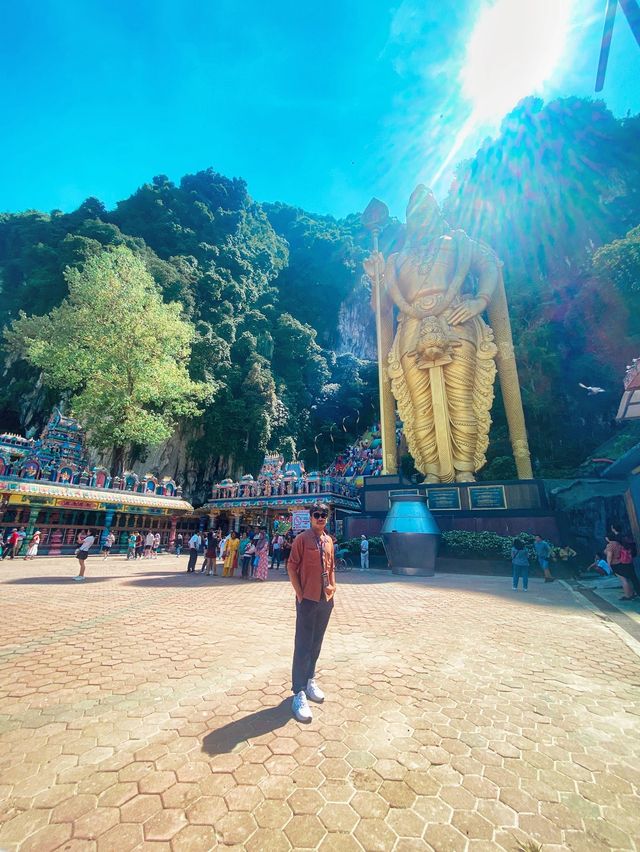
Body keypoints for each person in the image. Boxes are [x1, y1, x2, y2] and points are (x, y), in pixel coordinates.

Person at [287, 502, 336, 723]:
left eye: (324, 514)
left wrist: (333, 588)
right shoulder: (302, 539)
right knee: (303, 644)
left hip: (325, 599)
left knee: (316, 643)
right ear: (310, 517)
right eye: (317, 514)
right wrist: (299, 593)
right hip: (307, 599)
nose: (320, 518)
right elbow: (291, 566)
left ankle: (309, 680)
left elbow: (331, 567)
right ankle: (298, 691)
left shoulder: (328, 541)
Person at [605, 536, 640, 600]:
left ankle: (627, 595)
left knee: (623, 580)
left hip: (615, 564)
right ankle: (632, 593)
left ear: (607, 538)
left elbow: (609, 555)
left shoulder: (610, 545)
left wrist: (609, 564)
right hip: (624, 562)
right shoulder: (619, 543)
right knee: (629, 579)